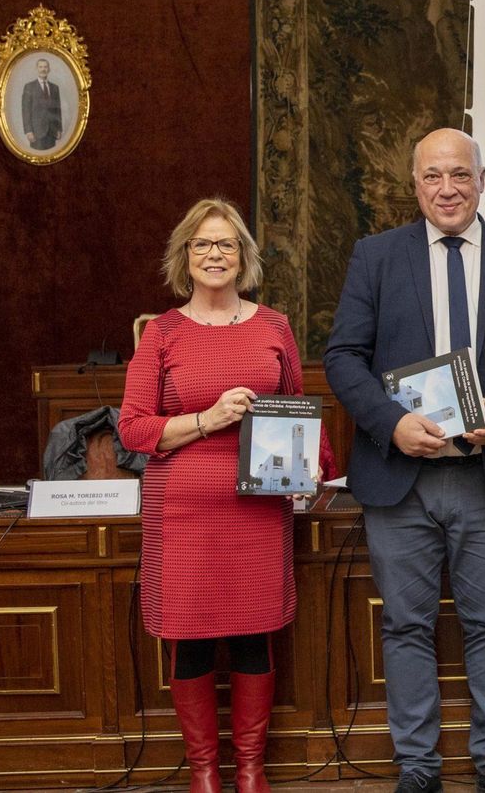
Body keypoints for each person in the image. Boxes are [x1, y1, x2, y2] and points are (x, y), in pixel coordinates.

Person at [323, 128, 485, 793]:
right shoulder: (375, 257)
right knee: (405, 624)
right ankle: (419, 766)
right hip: (399, 480)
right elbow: (343, 358)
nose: (448, 188)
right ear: (415, 186)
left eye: (460, 173)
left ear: (482, 180)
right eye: (433, 176)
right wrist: (391, 423)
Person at [120, 198, 332, 793]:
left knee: (251, 630)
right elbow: (134, 428)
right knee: (189, 636)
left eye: (226, 244)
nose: (214, 255)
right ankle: (205, 773)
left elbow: (298, 408)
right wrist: (209, 419)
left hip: (259, 507)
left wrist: (312, 466)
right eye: (202, 245)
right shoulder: (161, 333)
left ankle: (251, 769)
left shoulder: (274, 327)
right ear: (184, 257)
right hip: (183, 505)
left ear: (243, 257)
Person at [21, 57, 63, 150]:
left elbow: (57, 110)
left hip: (52, 132)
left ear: (49, 69)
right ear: (37, 69)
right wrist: (28, 131)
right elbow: (25, 110)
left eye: (45, 67)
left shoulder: (55, 88)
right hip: (36, 132)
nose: (43, 69)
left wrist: (59, 128)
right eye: (40, 67)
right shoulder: (29, 87)